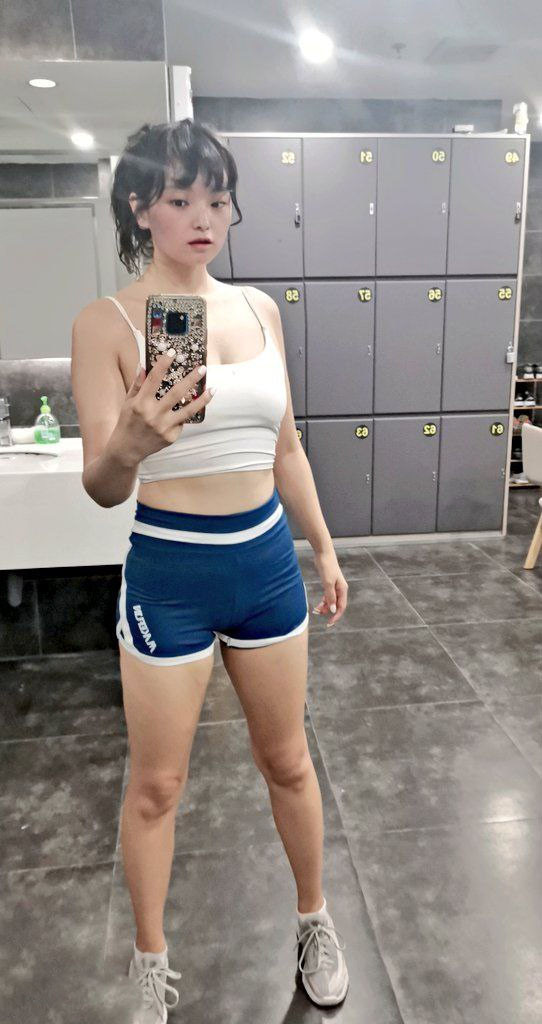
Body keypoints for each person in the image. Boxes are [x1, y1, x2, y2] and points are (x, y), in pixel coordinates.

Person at [71, 117, 349, 1022]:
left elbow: (286, 447)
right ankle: (151, 964)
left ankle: (314, 921)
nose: (203, 218)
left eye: (218, 200)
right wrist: (130, 441)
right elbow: (102, 488)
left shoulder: (260, 310)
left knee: (289, 761)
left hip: (264, 563)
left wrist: (322, 545)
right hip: (170, 574)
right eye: (180, 198)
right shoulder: (109, 324)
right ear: (138, 207)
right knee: (157, 786)